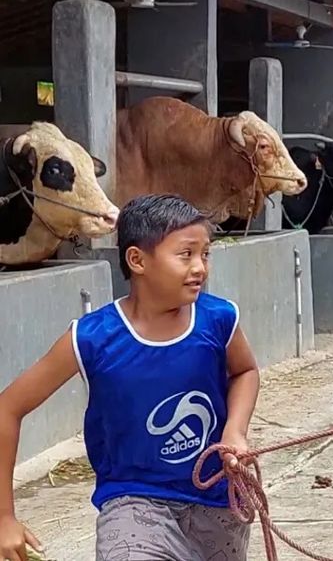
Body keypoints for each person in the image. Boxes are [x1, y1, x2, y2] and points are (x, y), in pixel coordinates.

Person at [0, 193, 260, 561]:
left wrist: (235, 430)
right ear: (137, 260)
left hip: (219, 504)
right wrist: (3, 517)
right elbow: (7, 409)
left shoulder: (219, 319)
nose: (200, 267)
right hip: (133, 504)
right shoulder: (92, 338)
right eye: (186, 254)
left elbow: (245, 371)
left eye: (205, 254)